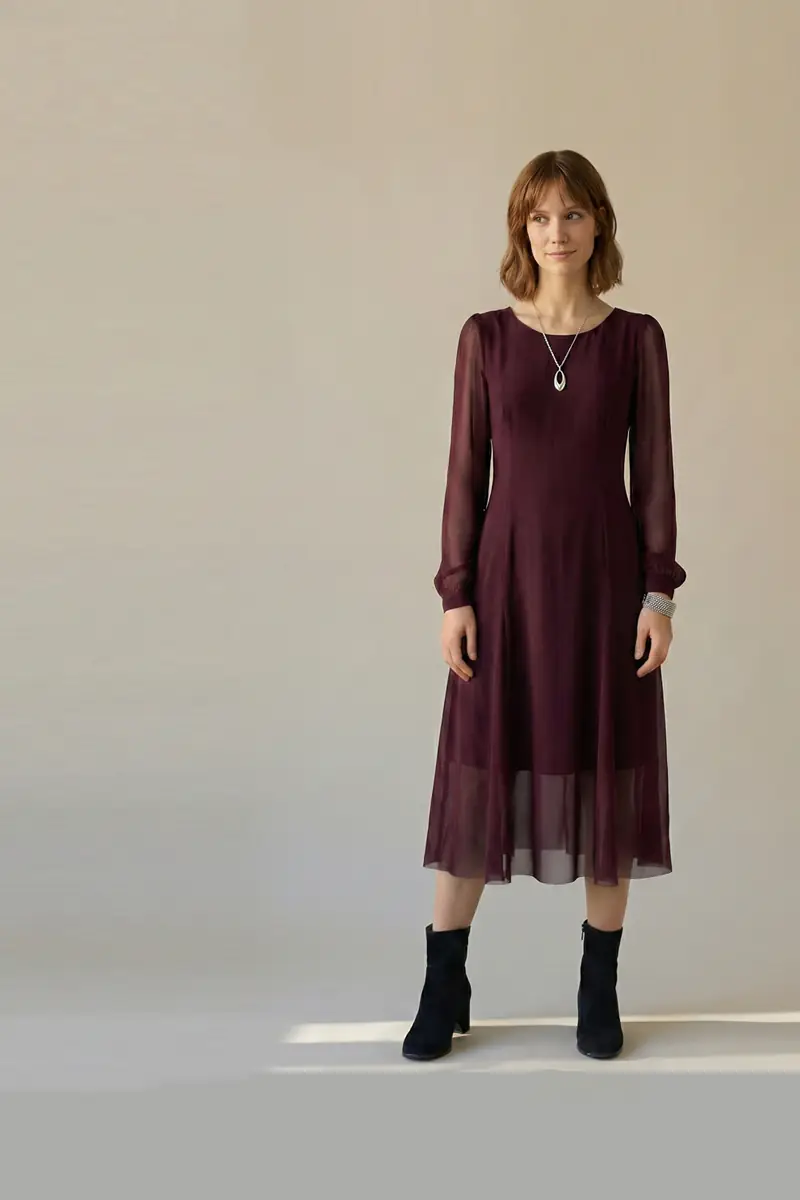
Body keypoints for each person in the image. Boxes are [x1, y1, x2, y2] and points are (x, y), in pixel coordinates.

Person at [402, 149, 687, 1063]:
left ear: (599, 224)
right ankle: (443, 981)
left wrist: (658, 593)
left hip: (606, 592)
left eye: (571, 214)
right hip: (505, 589)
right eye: (538, 217)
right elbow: (463, 475)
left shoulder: (636, 339)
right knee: (478, 776)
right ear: (520, 230)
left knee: (610, 776)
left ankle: (598, 989)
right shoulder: (485, 338)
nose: (555, 233)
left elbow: (655, 477)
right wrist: (455, 594)